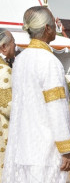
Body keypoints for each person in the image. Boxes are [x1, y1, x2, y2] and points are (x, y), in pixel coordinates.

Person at [2, 6, 70, 182]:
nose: (56, 27)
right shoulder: (50, 62)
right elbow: (56, 108)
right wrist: (66, 149)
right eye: (54, 24)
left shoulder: (20, 60)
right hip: (45, 151)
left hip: (22, 147)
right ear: (47, 28)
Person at [0, 29, 15, 176]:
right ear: (3, 47)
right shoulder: (4, 70)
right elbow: (7, 106)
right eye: (13, 43)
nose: (15, 46)